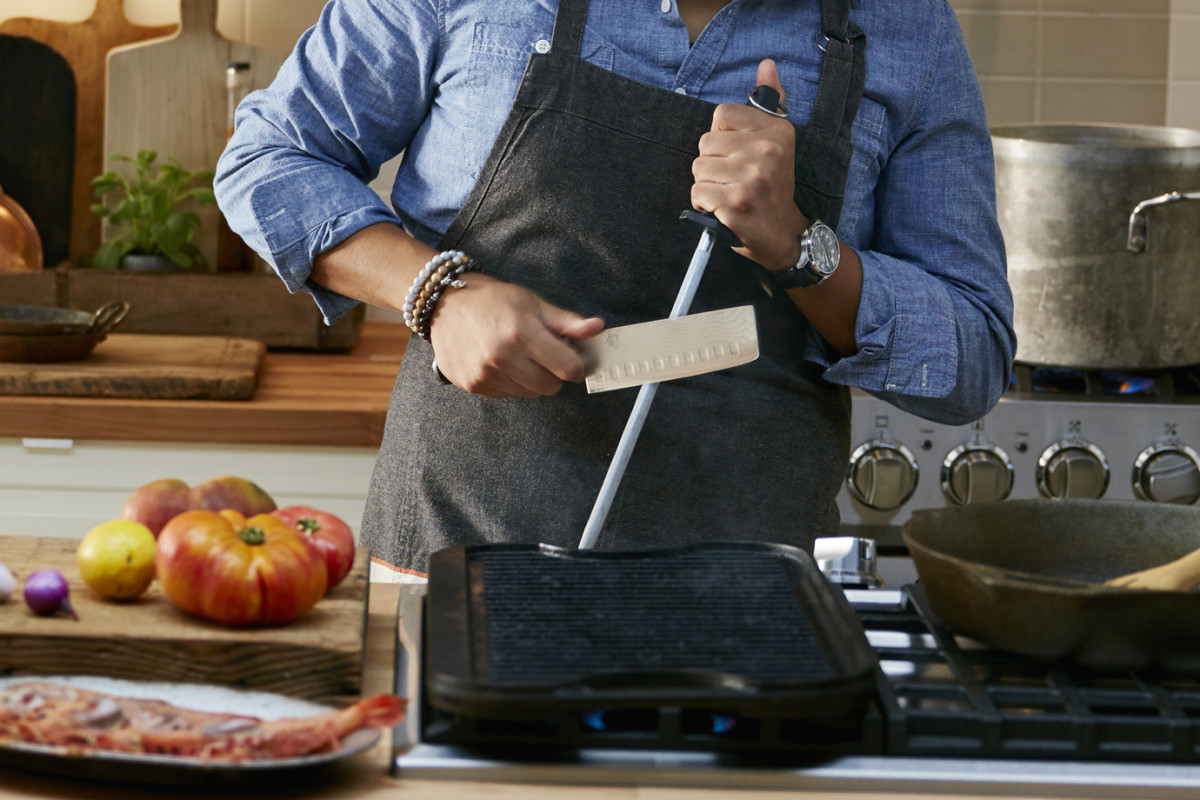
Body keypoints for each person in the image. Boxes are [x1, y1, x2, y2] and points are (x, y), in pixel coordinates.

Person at [215, 0, 1016, 580]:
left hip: (744, 604)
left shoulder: (908, 28)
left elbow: (974, 355)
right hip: (451, 565)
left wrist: (801, 245)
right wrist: (438, 293)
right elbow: (270, 159)